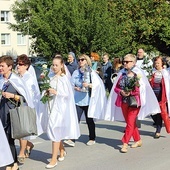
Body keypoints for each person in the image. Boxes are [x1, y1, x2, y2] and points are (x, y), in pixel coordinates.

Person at [104, 54, 160, 153]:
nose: (124, 63)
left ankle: (125, 143)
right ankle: (138, 140)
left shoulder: (138, 73)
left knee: (130, 123)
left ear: (133, 62)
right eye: (124, 61)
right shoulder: (122, 73)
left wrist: (131, 92)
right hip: (123, 102)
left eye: (127, 62)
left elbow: (141, 89)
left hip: (134, 102)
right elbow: (116, 87)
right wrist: (121, 91)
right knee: (130, 123)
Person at [39, 55, 80, 169]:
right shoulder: (50, 76)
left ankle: (53, 159)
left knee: (55, 130)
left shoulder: (63, 78)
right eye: (53, 65)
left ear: (62, 65)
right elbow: (45, 89)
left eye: (57, 65)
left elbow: (67, 95)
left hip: (60, 109)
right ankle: (62, 150)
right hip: (51, 106)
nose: (54, 67)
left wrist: (56, 92)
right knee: (53, 131)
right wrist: (46, 92)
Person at [64, 54, 107, 147]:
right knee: (75, 120)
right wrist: (76, 88)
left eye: (82, 60)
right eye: (79, 60)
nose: (80, 61)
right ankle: (72, 138)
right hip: (77, 100)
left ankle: (92, 138)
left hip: (88, 100)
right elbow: (71, 84)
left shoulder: (91, 72)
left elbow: (98, 85)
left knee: (89, 120)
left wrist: (89, 85)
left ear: (87, 61)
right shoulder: (76, 72)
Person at [0, 55, 34, 170]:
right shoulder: (0, 80)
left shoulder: (16, 80)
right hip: (2, 114)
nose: (0, 68)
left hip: (13, 115)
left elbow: (24, 99)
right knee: (4, 139)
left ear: (9, 67)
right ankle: (11, 163)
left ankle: (13, 164)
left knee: (9, 139)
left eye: (2, 66)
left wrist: (13, 96)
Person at [16, 54, 43, 163]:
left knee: (23, 132)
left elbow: (32, 95)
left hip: (26, 106)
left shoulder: (29, 78)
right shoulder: (18, 76)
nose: (18, 66)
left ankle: (21, 153)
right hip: (18, 106)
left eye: (21, 64)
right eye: (17, 64)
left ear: (26, 66)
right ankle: (29, 144)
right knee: (18, 132)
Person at [149, 56, 170, 138]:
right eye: (155, 63)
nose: (156, 64)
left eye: (158, 63)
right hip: (152, 94)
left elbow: (167, 85)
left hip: (161, 94)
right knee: (152, 112)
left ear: (162, 63)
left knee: (159, 112)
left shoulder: (165, 72)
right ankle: (158, 125)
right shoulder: (152, 71)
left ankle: (158, 130)